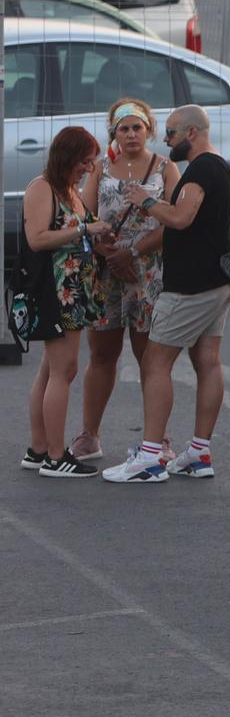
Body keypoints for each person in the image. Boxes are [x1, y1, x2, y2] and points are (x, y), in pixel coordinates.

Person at [100, 108, 230, 484]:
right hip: (219, 280)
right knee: (207, 360)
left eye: (172, 132)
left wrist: (145, 200)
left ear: (191, 132)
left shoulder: (201, 169)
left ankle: (149, 456)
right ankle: (198, 451)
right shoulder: (221, 165)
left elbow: (181, 218)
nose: (166, 139)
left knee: (155, 363)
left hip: (192, 286)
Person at [72, 101, 172, 466]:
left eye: (137, 128)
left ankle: (156, 440)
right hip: (106, 271)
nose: (131, 134)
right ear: (113, 132)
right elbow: (82, 213)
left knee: (151, 358)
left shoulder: (165, 168)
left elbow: (173, 220)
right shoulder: (99, 169)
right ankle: (89, 435)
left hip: (148, 274)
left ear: (150, 130)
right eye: (124, 128)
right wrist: (105, 249)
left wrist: (133, 252)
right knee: (101, 355)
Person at [16, 127, 112, 478]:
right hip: (58, 291)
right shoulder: (42, 187)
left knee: (50, 369)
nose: (89, 167)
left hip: (73, 287)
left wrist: (101, 235)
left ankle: (39, 449)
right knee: (64, 371)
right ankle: (56, 457)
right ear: (67, 156)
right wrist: (85, 230)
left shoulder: (68, 189)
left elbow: (84, 229)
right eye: (84, 160)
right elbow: (37, 238)